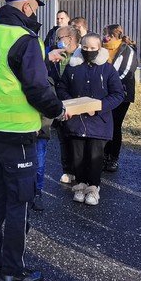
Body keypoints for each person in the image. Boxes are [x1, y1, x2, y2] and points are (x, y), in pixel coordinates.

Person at [0, 0, 67, 281]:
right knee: (19, 203)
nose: (35, 11)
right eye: (35, 5)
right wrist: (58, 110)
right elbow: (38, 89)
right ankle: (12, 269)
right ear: (28, 5)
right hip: (17, 134)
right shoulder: (26, 40)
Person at [57, 33, 125, 206]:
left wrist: (100, 106)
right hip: (76, 120)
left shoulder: (108, 69)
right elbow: (62, 87)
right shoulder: (73, 67)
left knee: (95, 156)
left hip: (98, 122)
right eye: (85, 47)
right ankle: (79, 185)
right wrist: (69, 105)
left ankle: (93, 187)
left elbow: (118, 94)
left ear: (99, 48)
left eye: (93, 48)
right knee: (77, 156)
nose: (88, 51)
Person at [47, 24, 82, 192]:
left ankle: (80, 170)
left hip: (77, 104)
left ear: (70, 39)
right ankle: (67, 170)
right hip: (59, 103)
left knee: (77, 140)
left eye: (60, 38)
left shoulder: (81, 56)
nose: (57, 42)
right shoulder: (56, 56)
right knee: (63, 138)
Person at [102, 24, 138, 172]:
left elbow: (126, 71)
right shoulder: (103, 49)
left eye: (106, 35)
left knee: (115, 125)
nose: (105, 38)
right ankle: (103, 155)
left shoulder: (126, 50)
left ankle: (113, 158)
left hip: (122, 94)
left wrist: (109, 84)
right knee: (105, 124)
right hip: (105, 93)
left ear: (112, 36)